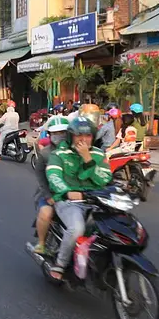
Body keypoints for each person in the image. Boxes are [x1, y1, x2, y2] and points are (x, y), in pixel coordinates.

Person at [45, 116, 112, 281]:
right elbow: (53, 177)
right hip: (69, 202)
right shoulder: (59, 154)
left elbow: (104, 179)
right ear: (70, 137)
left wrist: (87, 158)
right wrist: (67, 192)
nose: (83, 139)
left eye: (88, 136)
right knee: (77, 229)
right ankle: (60, 264)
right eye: (78, 136)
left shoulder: (98, 154)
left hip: (97, 201)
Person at [32, 116, 69, 254]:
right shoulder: (45, 153)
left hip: (74, 193)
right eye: (55, 133)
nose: (59, 136)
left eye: (62, 132)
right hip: (49, 193)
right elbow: (40, 176)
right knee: (46, 213)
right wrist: (48, 196)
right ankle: (41, 243)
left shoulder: (75, 151)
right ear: (50, 135)